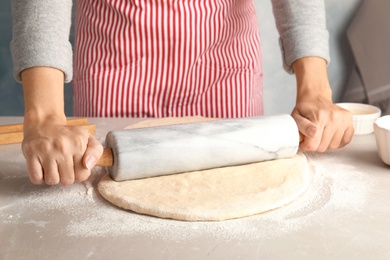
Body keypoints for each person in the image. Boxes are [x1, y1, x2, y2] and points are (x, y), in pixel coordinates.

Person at [11, 0, 354, 186]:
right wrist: (44, 114)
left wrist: (315, 89)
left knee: (233, 190)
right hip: (117, 61)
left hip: (224, 64)